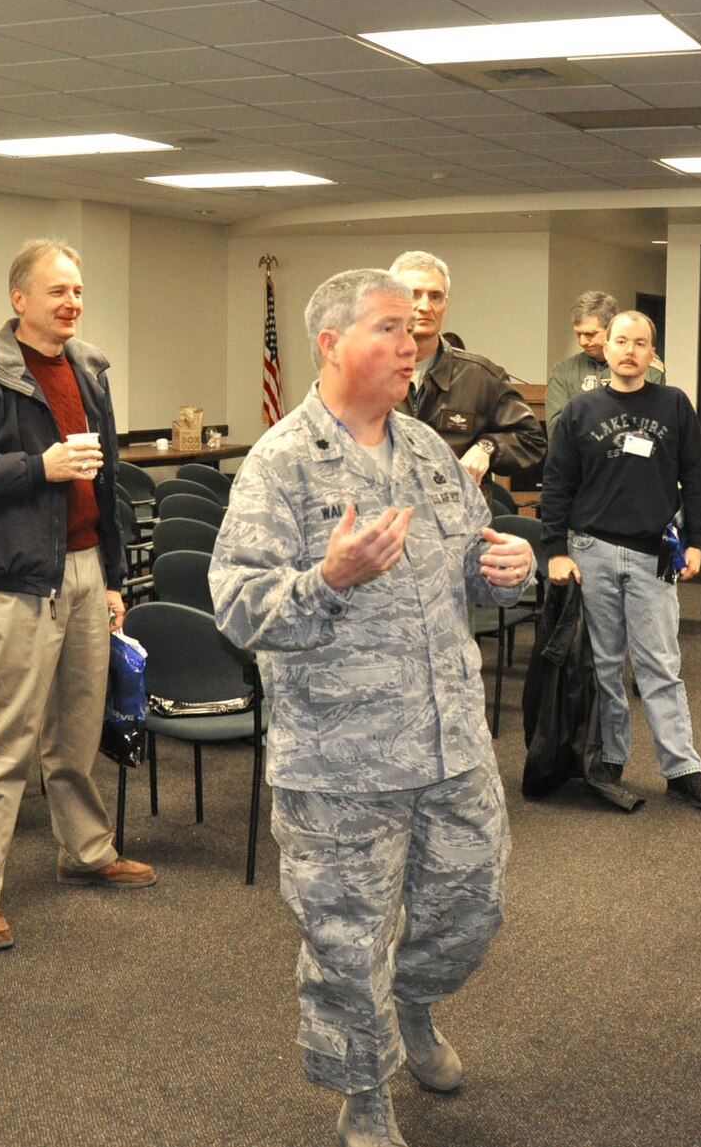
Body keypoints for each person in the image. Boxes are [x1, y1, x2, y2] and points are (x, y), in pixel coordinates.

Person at [211, 268, 534, 1147]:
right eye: (390, 327)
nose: (412, 341)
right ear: (331, 343)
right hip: (341, 762)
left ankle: (415, 1005)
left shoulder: (429, 450)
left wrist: (506, 570)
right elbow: (238, 607)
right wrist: (327, 580)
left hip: (451, 742)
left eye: (413, 327)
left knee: (470, 909)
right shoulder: (280, 463)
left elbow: (474, 559)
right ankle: (364, 1093)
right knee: (347, 945)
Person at [0, 238, 153, 954]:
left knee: (79, 729)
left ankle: (85, 850)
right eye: (57, 291)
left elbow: (107, 483)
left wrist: (112, 577)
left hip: (84, 570)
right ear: (19, 298)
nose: (71, 302)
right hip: (14, 581)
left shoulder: (90, 369)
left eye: (77, 290)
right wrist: (37, 466)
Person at [541, 311, 701, 812]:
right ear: (607, 348)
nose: (629, 350)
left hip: (653, 553)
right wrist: (554, 549)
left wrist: (696, 541)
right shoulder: (580, 409)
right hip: (590, 550)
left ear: (651, 353)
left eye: (639, 343)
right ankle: (609, 761)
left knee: (660, 666)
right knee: (603, 666)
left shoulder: (674, 405)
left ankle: (682, 769)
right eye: (620, 341)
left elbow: (697, 474)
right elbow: (557, 482)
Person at [390, 251, 545, 486]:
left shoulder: (481, 377)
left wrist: (488, 447)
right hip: (385, 518)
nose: (425, 306)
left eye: (435, 296)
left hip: (459, 516)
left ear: (445, 305)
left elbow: (531, 440)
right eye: (414, 294)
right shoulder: (361, 375)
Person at [546, 290, 663, 424]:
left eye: (591, 334)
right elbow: (557, 429)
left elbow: (649, 420)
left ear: (611, 329)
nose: (583, 341)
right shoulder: (564, 372)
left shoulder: (643, 364)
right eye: (579, 334)